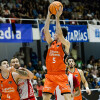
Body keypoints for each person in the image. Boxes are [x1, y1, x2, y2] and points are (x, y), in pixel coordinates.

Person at [43, 6, 71, 100]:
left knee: (67, 98)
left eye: (55, 32)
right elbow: (46, 31)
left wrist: (57, 17)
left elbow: (59, 33)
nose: (54, 34)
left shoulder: (66, 44)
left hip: (61, 74)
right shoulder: (51, 43)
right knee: (45, 98)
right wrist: (48, 15)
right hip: (50, 75)